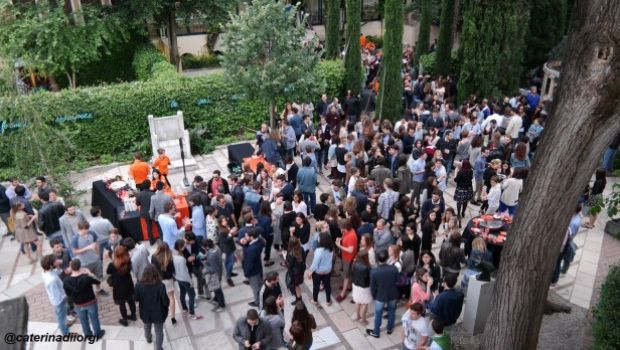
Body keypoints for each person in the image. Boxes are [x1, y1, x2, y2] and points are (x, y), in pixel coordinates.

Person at [63, 259, 106, 339]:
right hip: (90, 302)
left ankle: (88, 335)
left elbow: (68, 293)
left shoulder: (66, 281)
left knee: (83, 320)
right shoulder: (86, 277)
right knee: (94, 318)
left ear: (71, 268)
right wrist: (89, 273)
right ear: (80, 266)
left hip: (78, 304)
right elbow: (98, 281)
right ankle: (98, 334)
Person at [133, 264, 169, 350]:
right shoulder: (161, 285)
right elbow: (165, 301)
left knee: (146, 326)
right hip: (159, 313)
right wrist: (167, 306)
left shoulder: (138, 285)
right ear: (156, 273)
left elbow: (136, 298)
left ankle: (148, 338)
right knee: (159, 331)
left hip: (145, 312)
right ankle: (159, 348)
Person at [367, 249, 399, 338]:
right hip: (392, 293)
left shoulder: (374, 272)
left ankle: (376, 332)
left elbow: (372, 286)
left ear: (377, 259)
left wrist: (374, 296)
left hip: (380, 295)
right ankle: (389, 329)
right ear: (387, 258)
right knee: (392, 311)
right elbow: (398, 280)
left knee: (378, 314)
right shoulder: (394, 269)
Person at [71, 221, 107, 295]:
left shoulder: (92, 233)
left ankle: (98, 289)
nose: (87, 231)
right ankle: (89, 293)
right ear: (80, 229)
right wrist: (87, 248)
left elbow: (96, 244)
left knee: (98, 276)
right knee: (86, 279)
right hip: (84, 263)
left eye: (87, 229)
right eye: (85, 229)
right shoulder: (75, 238)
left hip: (95, 260)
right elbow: (74, 252)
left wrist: (98, 255)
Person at [106, 245, 136, 326]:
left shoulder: (112, 265)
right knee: (130, 300)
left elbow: (108, 272)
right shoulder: (128, 261)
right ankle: (133, 315)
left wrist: (113, 259)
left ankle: (125, 319)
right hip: (128, 284)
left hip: (119, 287)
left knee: (122, 304)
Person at [41, 254, 71, 335]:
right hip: (59, 301)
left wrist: (57, 265)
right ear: (51, 266)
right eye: (55, 262)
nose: (56, 261)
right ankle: (66, 333)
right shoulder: (52, 280)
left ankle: (64, 325)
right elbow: (56, 294)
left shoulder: (45, 272)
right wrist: (64, 298)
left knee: (60, 314)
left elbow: (58, 271)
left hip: (55, 299)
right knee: (62, 318)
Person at [173, 239, 203, 320]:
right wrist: (190, 281)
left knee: (182, 293)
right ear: (180, 247)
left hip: (178, 278)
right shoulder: (181, 259)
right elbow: (185, 272)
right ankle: (192, 313)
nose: (185, 246)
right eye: (183, 246)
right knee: (191, 295)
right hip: (185, 279)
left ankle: (185, 309)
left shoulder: (172, 255)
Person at [150, 241, 177, 325]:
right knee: (171, 298)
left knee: (160, 299)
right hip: (168, 280)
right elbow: (172, 270)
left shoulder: (153, 257)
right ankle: (173, 317)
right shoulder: (169, 256)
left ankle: (163, 313)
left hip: (158, 281)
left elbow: (153, 270)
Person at [308, 231, 334, 308]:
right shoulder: (331, 249)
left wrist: (310, 271)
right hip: (328, 270)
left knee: (316, 286)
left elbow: (315, 263)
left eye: (319, 237)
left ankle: (314, 300)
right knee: (327, 285)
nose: (318, 238)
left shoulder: (319, 251)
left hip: (318, 272)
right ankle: (328, 301)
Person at [335, 218, 358, 302]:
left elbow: (350, 250)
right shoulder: (349, 231)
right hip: (346, 257)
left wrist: (339, 246)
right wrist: (341, 239)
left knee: (346, 275)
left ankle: (343, 293)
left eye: (341, 227)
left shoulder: (351, 236)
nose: (340, 229)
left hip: (348, 258)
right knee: (347, 274)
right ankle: (348, 287)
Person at [242, 228, 265, 307]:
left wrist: (246, 273)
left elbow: (249, 263)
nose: (245, 237)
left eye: (246, 236)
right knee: (259, 284)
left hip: (253, 272)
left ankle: (257, 302)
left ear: (251, 237)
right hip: (258, 267)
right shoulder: (259, 242)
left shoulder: (251, 250)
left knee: (255, 288)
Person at [203, 238, 226, 311]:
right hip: (219, 271)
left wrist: (205, 264)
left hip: (215, 275)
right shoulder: (216, 248)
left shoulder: (211, 256)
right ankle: (216, 299)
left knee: (218, 290)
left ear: (206, 247)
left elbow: (213, 269)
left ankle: (221, 305)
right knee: (217, 289)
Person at [352, 250, 372, 325]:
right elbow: (370, 278)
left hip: (356, 285)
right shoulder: (367, 267)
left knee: (357, 302)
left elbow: (352, 273)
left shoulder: (354, 264)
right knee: (364, 304)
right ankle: (363, 319)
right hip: (364, 287)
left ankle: (357, 316)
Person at [286, 236, 306, 304]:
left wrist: (285, 258)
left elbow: (290, 265)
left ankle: (299, 300)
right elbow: (304, 259)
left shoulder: (291, 253)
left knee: (296, 286)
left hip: (294, 274)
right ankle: (299, 298)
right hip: (300, 271)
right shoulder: (302, 249)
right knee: (297, 286)